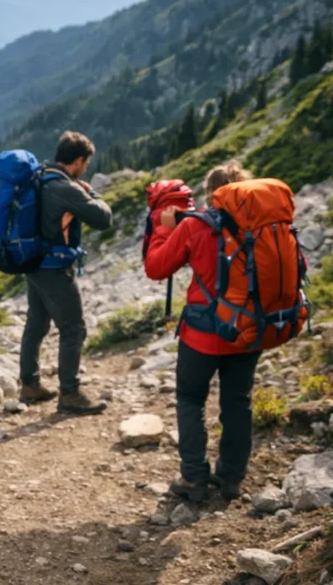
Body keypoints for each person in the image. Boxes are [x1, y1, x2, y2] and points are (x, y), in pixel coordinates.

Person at [144, 161, 259, 502]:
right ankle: (231, 478)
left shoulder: (196, 225)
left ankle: (194, 477)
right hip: (248, 329)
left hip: (203, 331)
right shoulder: (262, 223)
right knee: (238, 401)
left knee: (191, 398)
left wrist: (165, 228)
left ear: (210, 194)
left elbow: (157, 267)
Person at [18, 131, 114, 415]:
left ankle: (30, 384)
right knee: (74, 329)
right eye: (85, 163)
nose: (86, 168)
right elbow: (103, 218)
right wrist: (89, 191)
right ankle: (70, 394)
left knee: (36, 324)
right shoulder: (65, 187)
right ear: (79, 161)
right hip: (54, 268)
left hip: (32, 263)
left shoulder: (39, 176)